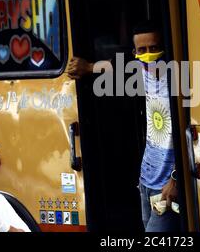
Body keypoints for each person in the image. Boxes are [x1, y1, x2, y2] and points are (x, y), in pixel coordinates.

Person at [67, 21, 181, 232]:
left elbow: (187, 130)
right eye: (143, 50)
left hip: (168, 185)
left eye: (154, 48)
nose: (149, 55)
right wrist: (88, 67)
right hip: (146, 181)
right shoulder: (139, 69)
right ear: (135, 53)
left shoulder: (178, 78)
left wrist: (175, 178)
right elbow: (113, 65)